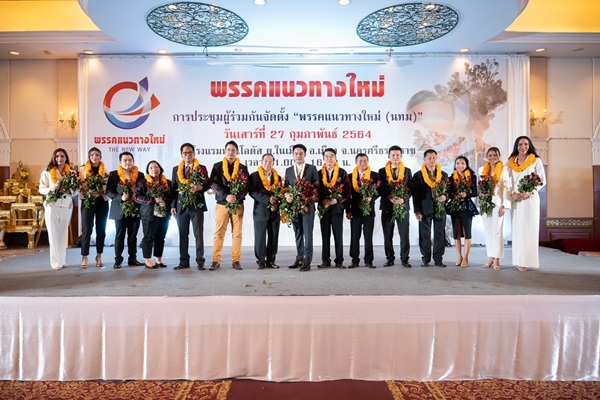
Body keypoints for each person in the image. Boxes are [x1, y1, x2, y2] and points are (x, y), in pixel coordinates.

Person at [507, 136, 546, 272]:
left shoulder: (536, 160)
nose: (523, 147)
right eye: (520, 144)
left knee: (530, 229)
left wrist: (529, 192)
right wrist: (512, 193)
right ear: (516, 146)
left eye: (525, 144)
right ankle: (519, 261)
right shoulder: (511, 162)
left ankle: (530, 260)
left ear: (529, 146)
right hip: (516, 199)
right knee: (518, 229)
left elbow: (542, 180)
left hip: (530, 199)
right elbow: (505, 180)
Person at [209, 140, 249, 271]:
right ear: (225, 151)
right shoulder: (217, 166)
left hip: (238, 204)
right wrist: (226, 196)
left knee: (237, 233)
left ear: (237, 152)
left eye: (233, 150)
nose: (231, 152)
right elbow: (213, 184)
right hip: (222, 203)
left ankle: (236, 260)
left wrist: (237, 197)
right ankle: (216, 260)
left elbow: (246, 186)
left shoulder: (242, 168)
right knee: (219, 232)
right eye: (228, 150)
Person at [170, 143, 210, 271]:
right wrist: (173, 206)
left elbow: (208, 184)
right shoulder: (176, 169)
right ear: (181, 155)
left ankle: (200, 261)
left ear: (194, 153)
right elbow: (173, 189)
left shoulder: (201, 168)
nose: (188, 155)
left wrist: (200, 187)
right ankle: (183, 261)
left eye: (190, 152)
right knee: (183, 235)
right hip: (181, 207)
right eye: (185, 153)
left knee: (198, 235)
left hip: (196, 206)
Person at [38, 148, 78, 270]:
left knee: (62, 233)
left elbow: (76, 190)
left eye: (62, 156)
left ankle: (62, 260)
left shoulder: (71, 172)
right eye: (57, 156)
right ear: (54, 158)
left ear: (66, 158)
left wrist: (70, 190)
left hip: (66, 205)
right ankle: (55, 262)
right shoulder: (47, 172)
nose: (59, 159)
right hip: (52, 205)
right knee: (53, 234)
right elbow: (41, 189)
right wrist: (52, 188)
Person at [106, 151, 144, 269]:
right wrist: (121, 198)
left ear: (133, 161)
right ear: (120, 162)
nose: (128, 162)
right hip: (119, 209)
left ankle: (132, 258)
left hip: (135, 209)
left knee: (133, 236)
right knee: (120, 235)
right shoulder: (114, 174)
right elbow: (109, 192)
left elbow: (143, 191)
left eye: (130, 160)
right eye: (125, 160)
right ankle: (118, 259)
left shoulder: (140, 175)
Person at [284, 143, 319, 272]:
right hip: (294, 207)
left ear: (305, 154)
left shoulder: (312, 168)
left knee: (308, 234)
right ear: (293, 155)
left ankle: (307, 260)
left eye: (301, 153)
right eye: (296, 153)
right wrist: (287, 195)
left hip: (307, 206)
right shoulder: (288, 170)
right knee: (298, 233)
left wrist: (308, 195)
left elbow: (317, 187)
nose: (298, 155)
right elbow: (286, 188)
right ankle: (299, 257)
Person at [412, 149, 449, 267]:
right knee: (425, 235)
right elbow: (415, 195)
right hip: (424, 209)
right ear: (424, 159)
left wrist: (445, 197)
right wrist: (417, 210)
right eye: (429, 158)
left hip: (440, 209)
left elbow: (448, 191)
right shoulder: (418, 175)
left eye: (434, 158)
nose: (432, 160)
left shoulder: (443, 174)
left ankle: (438, 258)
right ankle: (425, 258)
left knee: (440, 234)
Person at [378, 145, 413, 268]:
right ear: (388, 156)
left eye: (398, 155)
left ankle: (405, 259)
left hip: (403, 207)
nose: (395, 157)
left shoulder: (407, 171)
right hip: (388, 207)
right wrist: (389, 196)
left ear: (401, 156)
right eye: (393, 155)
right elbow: (380, 189)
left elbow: (411, 188)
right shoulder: (382, 171)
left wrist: (404, 199)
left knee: (404, 234)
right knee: (388, 235)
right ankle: (389, 258)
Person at [134, 160, 172, 269]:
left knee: (161, 237)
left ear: (160, 169)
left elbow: (171, 197)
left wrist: (165, 201)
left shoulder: (167, 182)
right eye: (151, 168)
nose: (154, 169)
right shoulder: (143, 182)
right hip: (149, 214)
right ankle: (147, 259)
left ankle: (158, 259)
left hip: (163, 214)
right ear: (147, 170)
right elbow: (136, 197)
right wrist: (153, 200)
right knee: (149, 237)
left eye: (156, 167)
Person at [317, 148, 350, 269]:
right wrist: (322, 200)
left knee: (338, 235)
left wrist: (338, 200)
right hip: (324, 209)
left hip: (337, 209)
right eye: (326, 156)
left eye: (331, 156)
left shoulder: (342, 172)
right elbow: (315, 190)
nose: (329, 158)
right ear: (323, 159)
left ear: (336, 158)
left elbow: (347, 190)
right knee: (325, 236)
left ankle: (339, 261)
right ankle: (325, 261)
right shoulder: (319, 173)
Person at [478, 147, 511, 270]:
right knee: (488, 231)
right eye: (490, 155)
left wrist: (504, 205)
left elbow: (507, 188)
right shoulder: (481, 170)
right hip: (485, 203)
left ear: (499, 156)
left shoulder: (504, 169)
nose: (492, 158)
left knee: (497, 231)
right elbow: (480, 187)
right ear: (487, 157)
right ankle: (491, 257)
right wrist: (482, 195)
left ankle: (497, 259)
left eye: (495, 155)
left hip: (498, 203)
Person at [248, 153, 281, 269]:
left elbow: (280, 193)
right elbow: (252, 192)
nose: (268, 163)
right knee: (260, 238)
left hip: (274, 212)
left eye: (270, 161)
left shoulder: (278, 177)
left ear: (273, 163)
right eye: (266, 161)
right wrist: (268, 199)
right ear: (262, 162)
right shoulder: (254, 176)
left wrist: (276, 204)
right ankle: (261, 260)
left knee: (274, 237)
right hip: (260, 211)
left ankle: (271, 260)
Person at [346, 153, 379, 268]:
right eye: (360, 161)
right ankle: (354, 260)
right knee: (355, 237)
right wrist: (348, 210)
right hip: (355, 211)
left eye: (365, 161)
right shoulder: (350, 176)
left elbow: (379, 191)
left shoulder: (374, 175)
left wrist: (371, 198)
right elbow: (347, 195)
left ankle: (369, 260)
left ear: (368, 162)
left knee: (368, 237)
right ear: (356, 162)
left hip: (369, 211)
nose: (362, 163)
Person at [78, 147, 109, 268]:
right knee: (87, 229)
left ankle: (99, 256)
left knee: (101, 230)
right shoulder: (82, 170)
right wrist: (87, 190)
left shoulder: (105, 170)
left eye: (97, 155)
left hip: (101, 201)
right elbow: (78, 186)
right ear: (89, 157)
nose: (94, 157)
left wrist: (100, 191)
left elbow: (108, 188)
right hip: (87, 201)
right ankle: (84, 257)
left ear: (100, 157)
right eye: (92, 155)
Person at [447, 156, 478, 267]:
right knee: (457, 233)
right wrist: (454, 196)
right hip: (455, 207)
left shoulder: (472, 176)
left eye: (462, 163)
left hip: (467, 207)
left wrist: (466, 194)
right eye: (458, 163)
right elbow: (449, 193)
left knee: (467, 232)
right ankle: (459, 256)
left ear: (466, 164)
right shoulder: (451, 178)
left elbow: (475, 192)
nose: (460, 165)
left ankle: (466, 257)